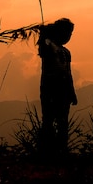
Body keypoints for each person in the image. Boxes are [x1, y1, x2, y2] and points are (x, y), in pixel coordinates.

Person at [37, 17, 78, 156]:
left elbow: (69, 73)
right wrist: (43, 35)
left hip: (64, 91)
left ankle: (61, 149)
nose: (68, 36)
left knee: (62, 121)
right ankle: (46, 150)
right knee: (48, 120)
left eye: (70, 34)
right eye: (66, 33)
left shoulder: (66, 52)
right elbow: (43, 46)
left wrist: (72, 93)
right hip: (50, 88)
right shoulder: (49, 45)